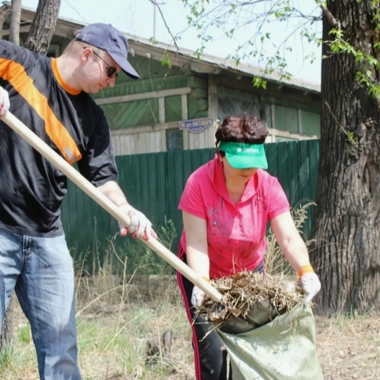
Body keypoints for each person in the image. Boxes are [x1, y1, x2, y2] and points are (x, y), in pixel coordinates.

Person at [0, 23, 155, 379]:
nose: (112, 81)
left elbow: (104, 181)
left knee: (61, 351)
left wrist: (126, 210)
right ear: (88, 53)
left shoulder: (93, 120)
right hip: (0, 229)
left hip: (46, 239)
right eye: (111, 70)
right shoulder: (18, 64)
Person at [176, 113, 321, 380]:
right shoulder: (198, 184)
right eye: (240, 163)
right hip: (203, 272)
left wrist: (305, 269)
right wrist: (202, 283)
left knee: (251, 348)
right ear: (220, 154)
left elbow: (288, 236)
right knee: (214, 356)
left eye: (253, 163)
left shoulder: (268, 186)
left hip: (248, 275)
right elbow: (196, 242)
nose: (248, 170)